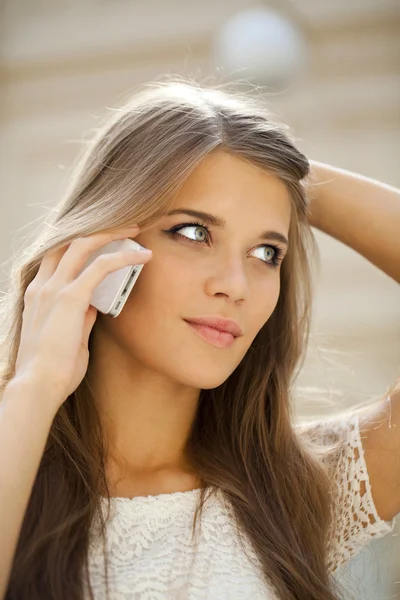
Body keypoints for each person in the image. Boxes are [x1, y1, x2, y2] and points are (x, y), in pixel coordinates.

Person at [0, 79, 398, 600]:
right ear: (102, 247)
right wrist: (35, 385)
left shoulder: (300, 490)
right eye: (193, 232)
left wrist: (280, 174)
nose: (234, 286)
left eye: (266, 253)